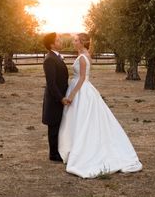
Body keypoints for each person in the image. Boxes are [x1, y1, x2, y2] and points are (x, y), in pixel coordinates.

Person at [58, 32, 143, 178]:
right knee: (76, 120)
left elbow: (83, 78)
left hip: (81, 90)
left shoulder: (83, 57)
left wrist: (72, 95)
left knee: (82, 120)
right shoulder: (84, 54)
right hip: (80, 88)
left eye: (76, 40)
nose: (74, 42)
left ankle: (82, 150)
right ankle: (73, 147)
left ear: (83, 42)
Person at [41, 32, 69, 162]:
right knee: (53, 127)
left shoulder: (56, 57)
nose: (61, 41)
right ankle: (53, 154)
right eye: (58, 40)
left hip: (61, 97)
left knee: (59, 126)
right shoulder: (49, 60)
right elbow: (51, 84)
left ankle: (59, 151)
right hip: (54, 99)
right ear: (52, 44)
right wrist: (61, 98)